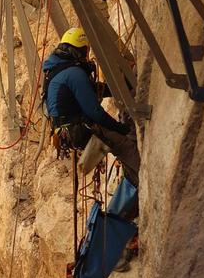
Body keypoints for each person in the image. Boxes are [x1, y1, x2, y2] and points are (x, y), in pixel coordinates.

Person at [41, 28, 140, 179]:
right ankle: (145, 175)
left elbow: (90, 91)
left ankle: (135, 180)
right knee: (123, 144)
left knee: (118, 142)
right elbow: (94, 111)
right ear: (81, 50)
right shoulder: (74, 73)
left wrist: (121, 87)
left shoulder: (57, 71)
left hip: (67, 131)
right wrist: (119, 128)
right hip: (78, 128)